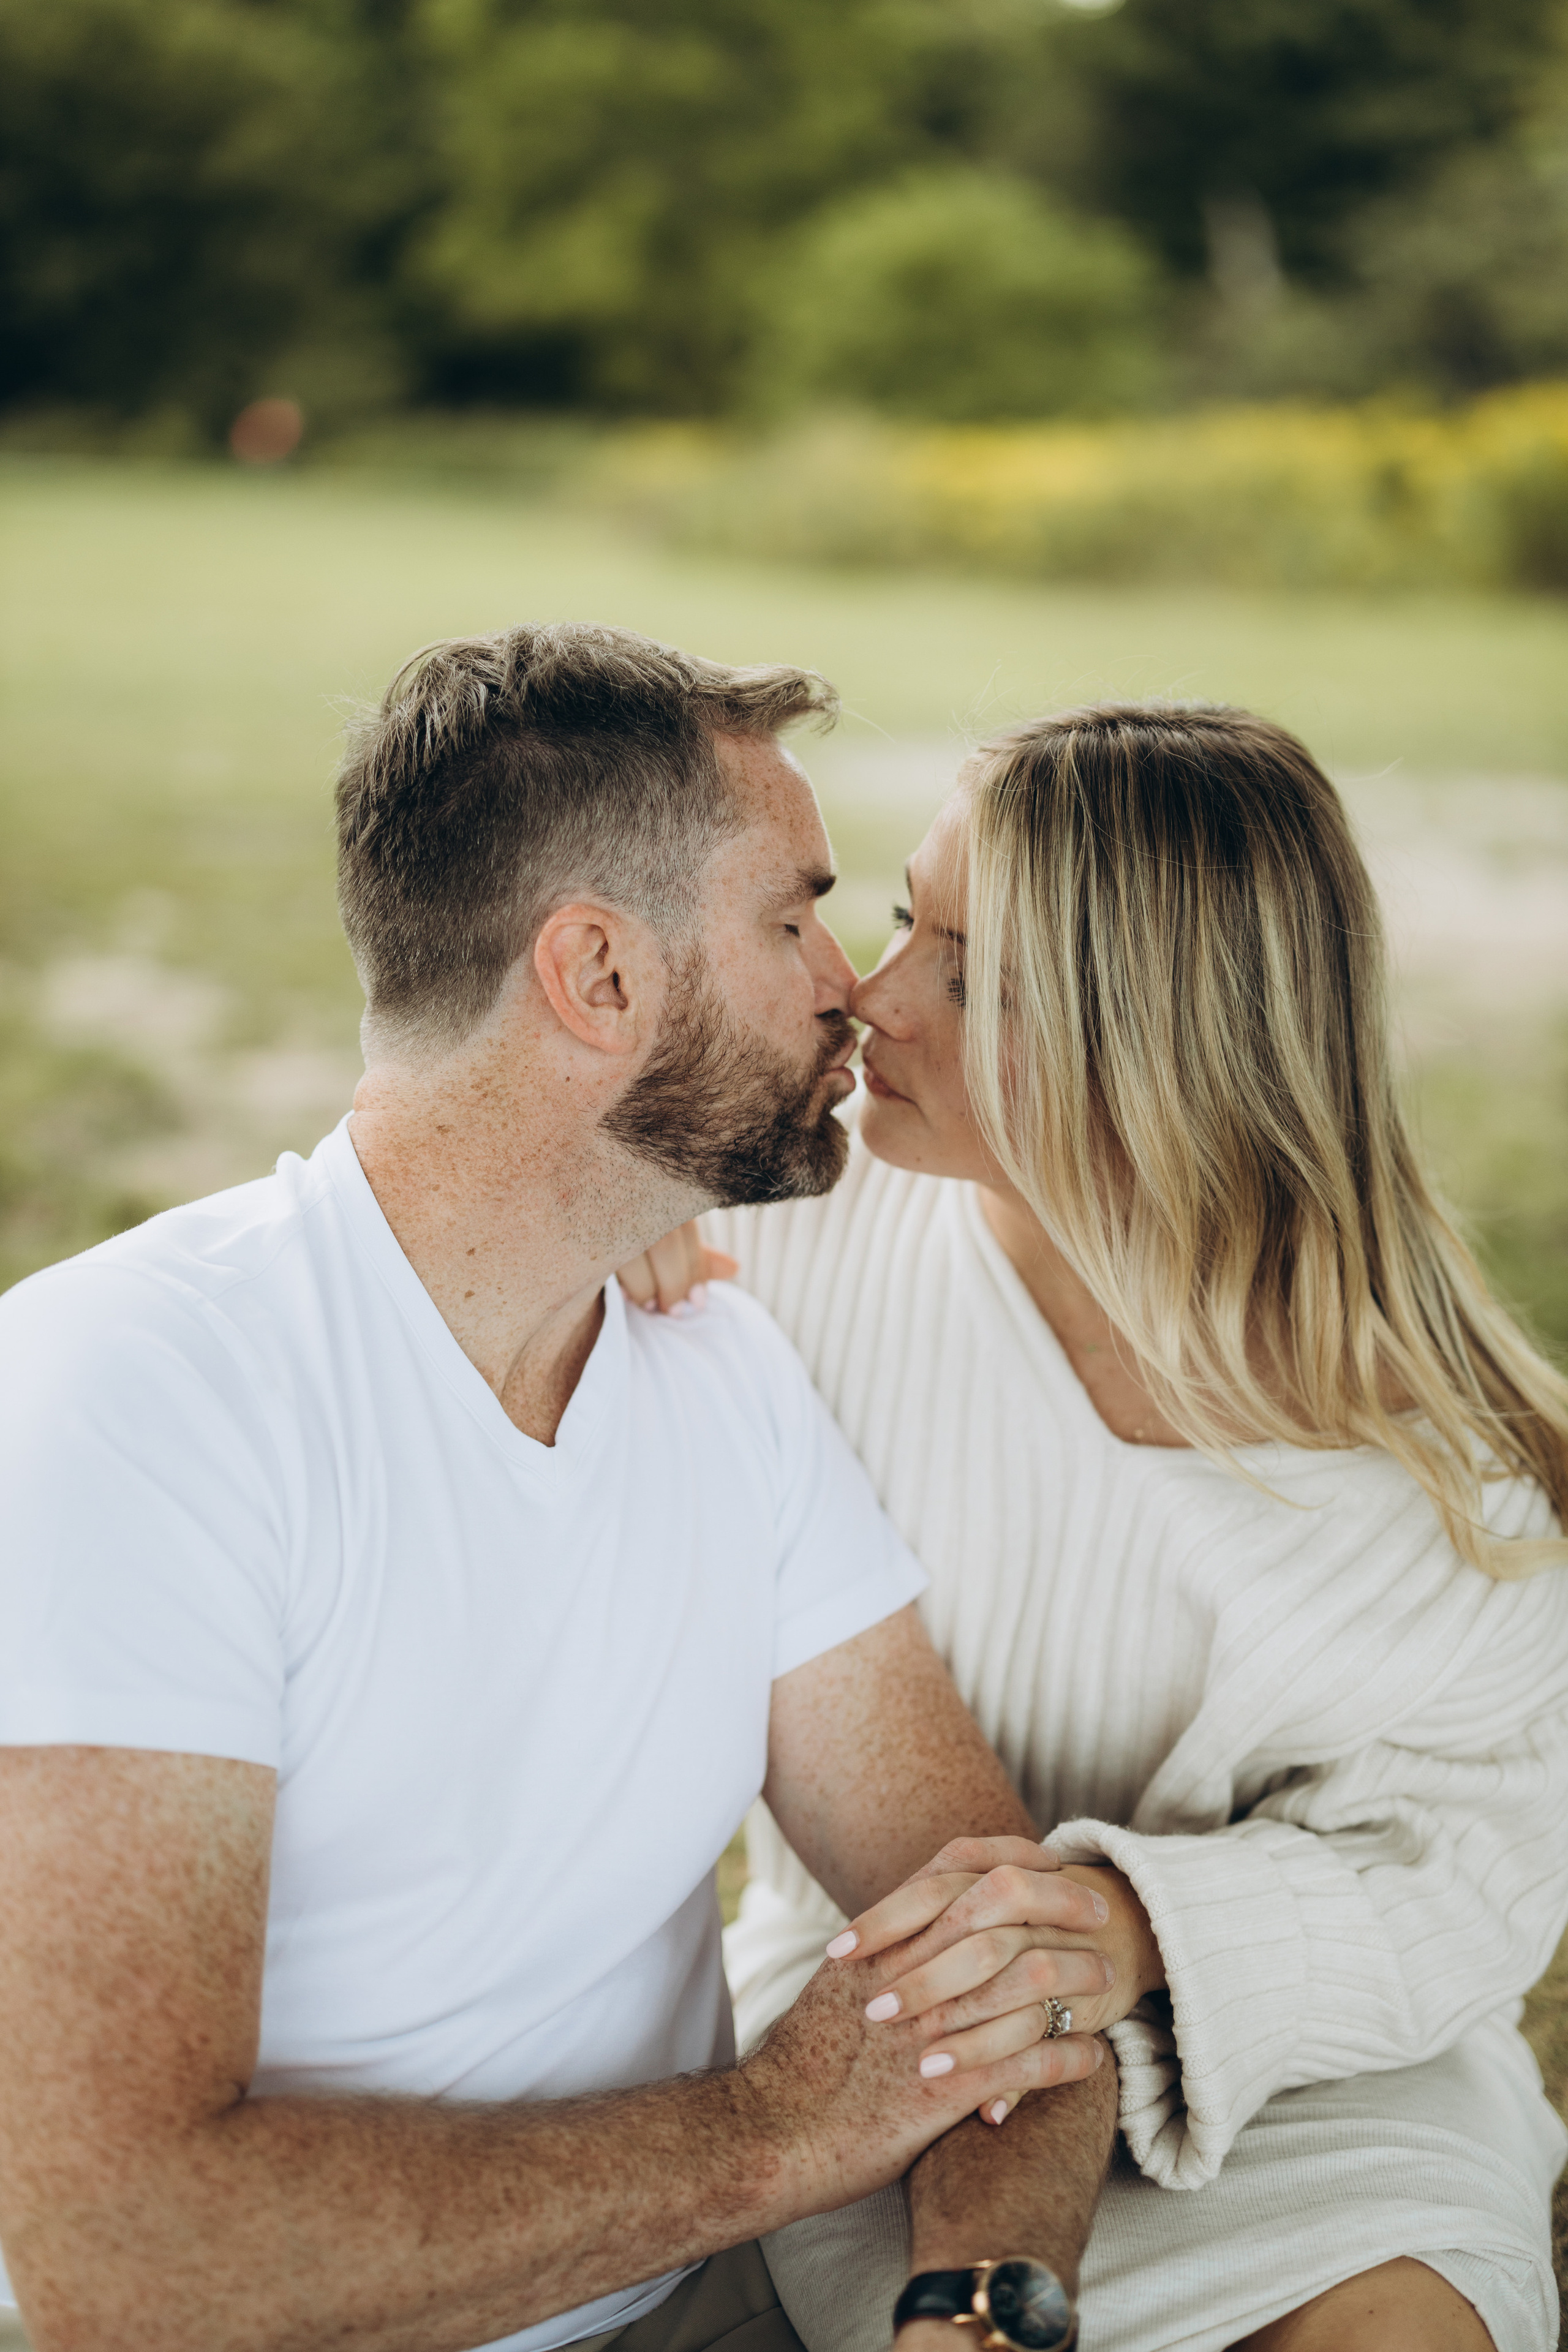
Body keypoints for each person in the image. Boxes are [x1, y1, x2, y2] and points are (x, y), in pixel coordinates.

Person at [0, 627, 1131, 2352]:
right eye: (791, 917)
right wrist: (781, 2129)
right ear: (597, 975)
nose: (850, 984)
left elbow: (1007, 1957)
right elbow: (135, 2263)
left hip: (697, 2311)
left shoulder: (721, 1375)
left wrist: (974, 2312)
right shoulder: (131, 1397)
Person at [628, 702, 1568, 2352]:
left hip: (1320, 2074)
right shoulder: (793, 1227)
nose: (875, 990)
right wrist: (608, 1236)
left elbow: (1466, 1877)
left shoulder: (1456, 1467)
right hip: (893, 2026)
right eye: (907, 917)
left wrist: (1138, 1932)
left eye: (971, 970)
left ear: (1160, 1044)